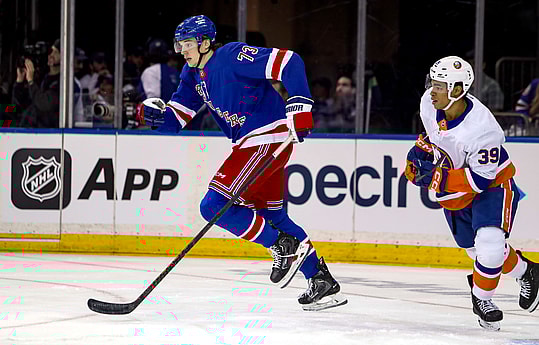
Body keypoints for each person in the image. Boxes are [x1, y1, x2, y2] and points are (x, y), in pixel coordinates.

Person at [139, 15, 347, 311]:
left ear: (205, 42)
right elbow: (177, 119)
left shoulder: (231, 55)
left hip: (267, 138)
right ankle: (321, 281)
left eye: (187, 44)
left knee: (211, 206)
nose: (182, 50)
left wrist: (299, 104)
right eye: (179, 44)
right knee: (273, 217)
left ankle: (281, 245)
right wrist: (155, 118)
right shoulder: (191, 74)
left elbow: (289, 62)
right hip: (250, 144)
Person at [404, 56, 539, 331]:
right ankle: (529, 272)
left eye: (440, 85)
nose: (433, 89)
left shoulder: (483, 130)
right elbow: (433, 138)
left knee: (489, 247)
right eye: (433, 82)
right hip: (456, 194)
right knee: (475, 250)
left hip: (492, 186)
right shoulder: (428, 104)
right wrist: (420, 153)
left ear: (456, 90)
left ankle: (482, 299)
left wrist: (436, 179)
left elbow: (479, 180)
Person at [12, 39, 82, 128]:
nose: (51, 55)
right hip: (28, 132)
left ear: (65, 58)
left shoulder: (67, 83)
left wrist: (30, 81)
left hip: (50, 135)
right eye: (51, 51)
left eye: (56, 53)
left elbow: (45, 105)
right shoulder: (41, 78)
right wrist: (20, 82)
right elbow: (19, 104)